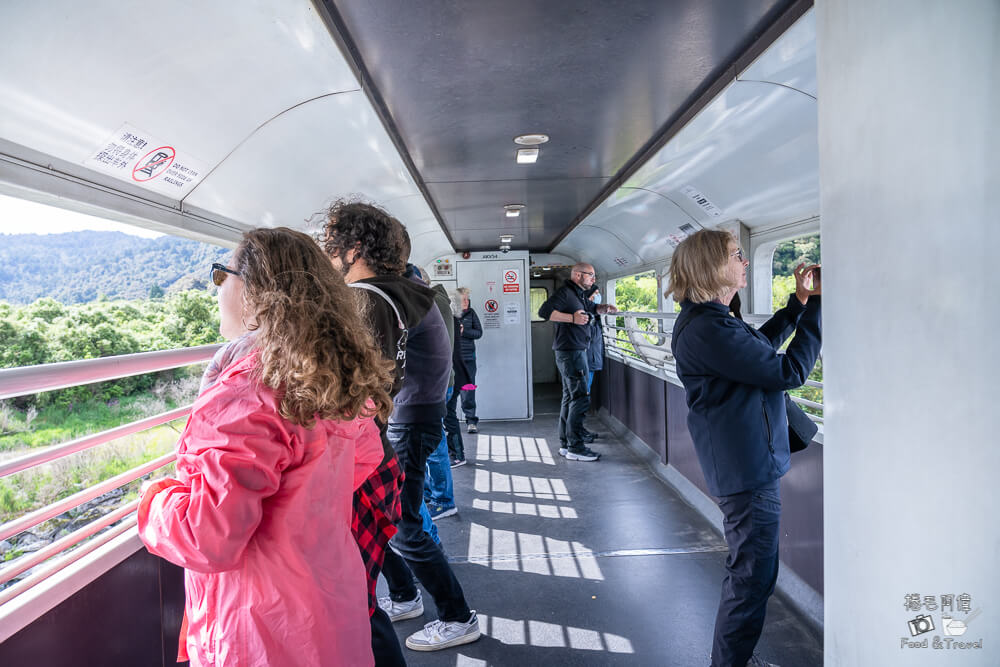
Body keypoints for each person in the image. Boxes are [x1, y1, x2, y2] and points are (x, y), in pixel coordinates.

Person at [137, 228, 394, 667]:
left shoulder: (243, 394)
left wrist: (154, 502)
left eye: (222, 276)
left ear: (257, 292)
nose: (218, 288)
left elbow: (207, 538)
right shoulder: (333, 376)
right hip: (330, 605)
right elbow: (366, 457)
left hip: (262, 632)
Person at [323, 200, 480, 654]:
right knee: (386, 517)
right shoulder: (411, 290)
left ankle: (456, 615)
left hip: (407, 422)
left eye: (332, 248)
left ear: (353, 248)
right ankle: (406, 594)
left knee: (405, 524)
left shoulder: (372, 297)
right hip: (420, 414)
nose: (329, 258)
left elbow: (364, 380)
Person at [666, 229, 821, 667]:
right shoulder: (706, 328)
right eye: (737, 255)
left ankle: (734, 659)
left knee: (752, 574)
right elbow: (788, 370)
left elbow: (758, 349)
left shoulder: (713, 319)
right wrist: (820, 309)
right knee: (752, 579)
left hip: (747, 464)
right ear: (712, 267)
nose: (744, 262)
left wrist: (798, 306)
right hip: (747, 471)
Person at [537, 263, 617, 461]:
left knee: (570, 397)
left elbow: (590, 309)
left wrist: (603, 308)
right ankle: (576, 447)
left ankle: (566, 444)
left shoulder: (580, 294)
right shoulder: (565, 293)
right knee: (580, 397)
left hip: (576, 350)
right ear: (578, 275)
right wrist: (571, 318)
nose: (593, 279)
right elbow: (544, 312)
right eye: (591, 275)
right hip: (570, 351)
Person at [455, 287, 482, 433]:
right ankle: (449, 422)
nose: (466, 301)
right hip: (453, 359)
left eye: (467, 299)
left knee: (468, 391)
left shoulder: (471, 314)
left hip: (468, 358)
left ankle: (471, 421)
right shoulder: (451, 313)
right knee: (450, 391)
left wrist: (464, 331)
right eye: (463, 299)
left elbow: (479, 333)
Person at [581, 285, 606, 442]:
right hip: (585, 363)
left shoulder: (594, 317)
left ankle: (580, 430)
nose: (598, 296)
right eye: (596, 294)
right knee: (582, 397)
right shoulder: (586, 317)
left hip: (591, 362)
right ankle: (578, 432)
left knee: (584, 396)